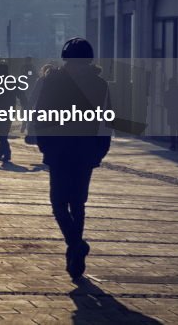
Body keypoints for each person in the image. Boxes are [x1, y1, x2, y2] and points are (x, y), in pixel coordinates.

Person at [35, 37, 112, 280]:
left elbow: (105, 120)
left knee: (70, 203)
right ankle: (76, 245)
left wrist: (100, 149)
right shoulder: (63, 82)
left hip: (74, 150)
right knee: (65, 203)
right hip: (69, 150)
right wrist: (44, 143)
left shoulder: (93, 85)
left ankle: (75, 247)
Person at [0, 62, 20, 162]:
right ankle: (3, 152)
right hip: (9, 109)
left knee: (1, 132)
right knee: (4, 132)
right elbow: (20, 93)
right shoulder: (12, 80)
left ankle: (4, 152)